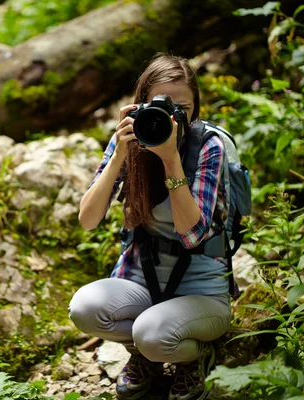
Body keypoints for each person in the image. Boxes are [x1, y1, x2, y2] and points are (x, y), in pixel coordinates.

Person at [68, 53, 232, 400]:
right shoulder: (130, 139)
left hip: (201, 291)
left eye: (183, 109)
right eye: (162, 107)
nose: (173, 119)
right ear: (141, 105)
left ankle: (195, 357)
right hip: (143, 279)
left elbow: (192, 235)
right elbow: (87, 220)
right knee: (84, 308)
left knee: (152, 334)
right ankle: (147, 356)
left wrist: (172, 159)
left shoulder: (208, 146)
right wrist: (118, 158)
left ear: (197, 108)